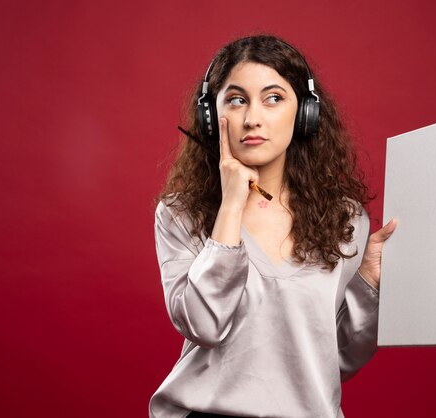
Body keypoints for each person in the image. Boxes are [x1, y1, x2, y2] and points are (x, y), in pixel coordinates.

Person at [149, 34, 397, 418]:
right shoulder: (180, 214)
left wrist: (368, 283)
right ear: (211, 117)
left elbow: (338, 359)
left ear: (305, 114)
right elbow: (204, 326)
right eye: (236, 99)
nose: (252, 118)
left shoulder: (345, 220)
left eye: (274, 98)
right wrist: (231, 205)